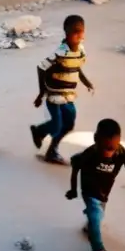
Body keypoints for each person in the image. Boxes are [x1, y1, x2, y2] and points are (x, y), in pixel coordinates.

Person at [67, 118, 125, 251]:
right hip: (89, 191)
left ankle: (89, 227)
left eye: (111, 148)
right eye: (104, 148)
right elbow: (76, 165)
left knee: (98, 215)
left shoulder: (121, 152)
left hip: (104, 194)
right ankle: (98, 248)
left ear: (118, 142)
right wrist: (74, 189)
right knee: (96, 214)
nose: (108, 153)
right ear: (95, 140)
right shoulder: (89, 154)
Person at [31, 15, 94, 165]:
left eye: (81, 31)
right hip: (54, 94)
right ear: (66, 32)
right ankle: (45, 141)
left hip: (69, 95)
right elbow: (41, 67)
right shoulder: (60, 52)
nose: (78, 35)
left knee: (69, 124)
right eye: (75, 32)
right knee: (57, 125)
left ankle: (46, 142)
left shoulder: (80, 51)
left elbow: (76, 68)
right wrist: (41, 93)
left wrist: (87, 82)